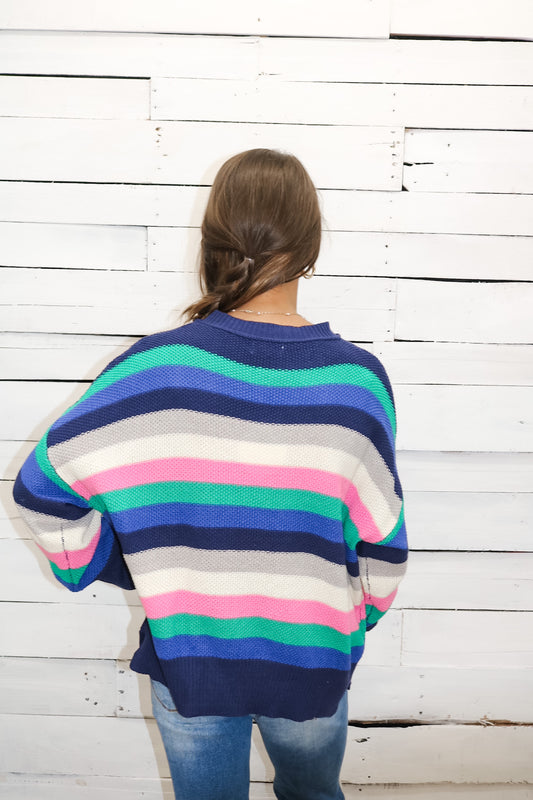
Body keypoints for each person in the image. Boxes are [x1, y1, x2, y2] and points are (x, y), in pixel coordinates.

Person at [13, 148, 408, 800]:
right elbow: (383, 548)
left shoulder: (152, 371)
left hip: (188, 657)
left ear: (212, 241)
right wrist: (351, 622)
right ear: (310, 247)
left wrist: (120, 564)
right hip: (311, 660)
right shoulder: (355, 384)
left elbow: (43, 492)